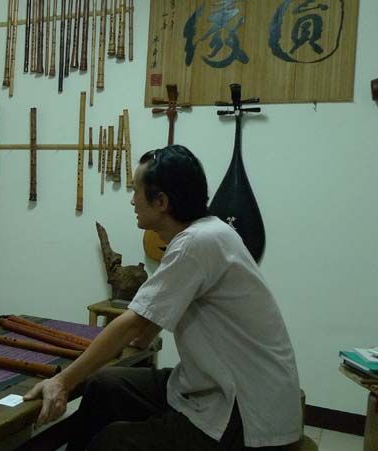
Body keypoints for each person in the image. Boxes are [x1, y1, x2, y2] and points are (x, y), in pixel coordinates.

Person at [24, 145, 302, 451]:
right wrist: (141, 337)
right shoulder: (207, 233)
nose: (132, 200)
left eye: (136, 191)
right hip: (220, 386)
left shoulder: (196, 243)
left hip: (245, 411)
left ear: (161, 202)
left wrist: (61, 382)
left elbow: (132, 323)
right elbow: (156, 313)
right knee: (104, 386)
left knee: (111, 442)